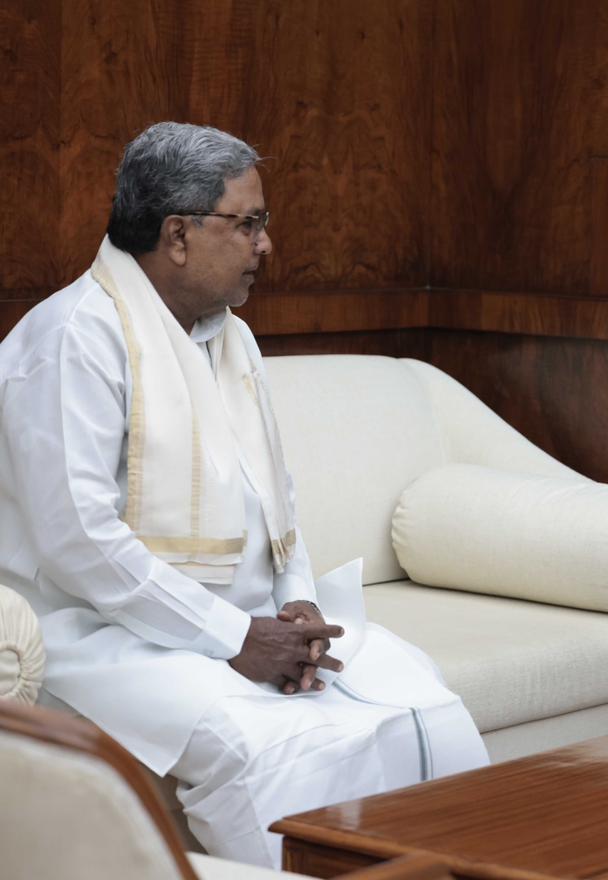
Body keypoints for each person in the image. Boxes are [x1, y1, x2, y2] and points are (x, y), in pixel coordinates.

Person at [0, 122, 488, 866]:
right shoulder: (73, 339)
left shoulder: (230, 335)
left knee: (420, 698)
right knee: (269, 741)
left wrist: (296, 605)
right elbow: (81, 545)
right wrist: (237, 641)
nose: (266, 246)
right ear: (178, 235)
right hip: (100, 639)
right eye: (250, 223)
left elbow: (274, 495)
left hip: (242, 629)